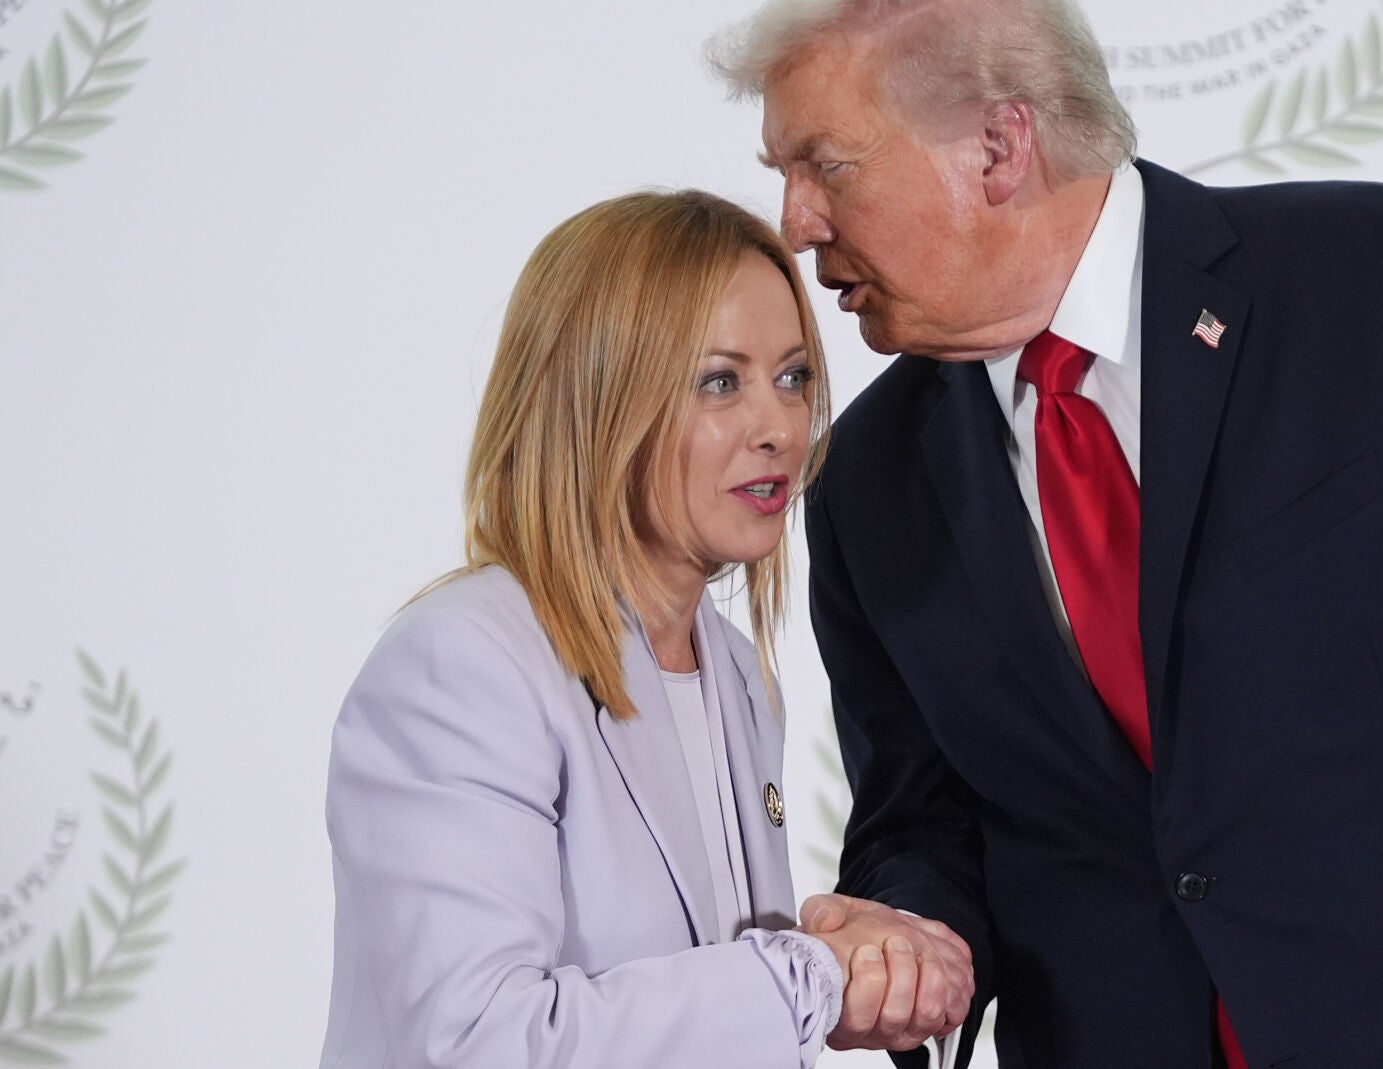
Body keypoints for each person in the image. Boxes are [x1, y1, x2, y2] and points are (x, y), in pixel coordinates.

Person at [708, 2, 1383, 1066]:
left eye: (825, 166)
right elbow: (923, 821)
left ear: (997, 147)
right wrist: (901, 931)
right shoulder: (865, 480)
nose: (795, 223)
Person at [318, 189, 973, 1068]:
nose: (779, 428)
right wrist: (810, 976)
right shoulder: (464, 663)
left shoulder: (732, 669)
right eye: (720, 381)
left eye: (792, 378)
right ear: (598, 400)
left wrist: (860, 958)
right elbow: (477, 1040)